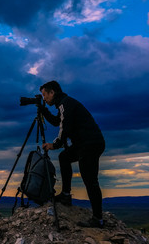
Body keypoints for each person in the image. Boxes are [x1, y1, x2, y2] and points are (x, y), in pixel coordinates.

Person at [39, 80, 106, 228]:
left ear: (52, 92)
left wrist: (54, 145)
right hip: (85, 144)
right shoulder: (64, 104)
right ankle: (66, 195)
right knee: (64, 157)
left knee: (90, 179)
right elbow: (58, 121)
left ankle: (98, 219)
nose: (44, 98)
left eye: (45, 95)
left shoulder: (65, 104)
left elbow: (64, 129)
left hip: (90, 144)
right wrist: (43, 110)